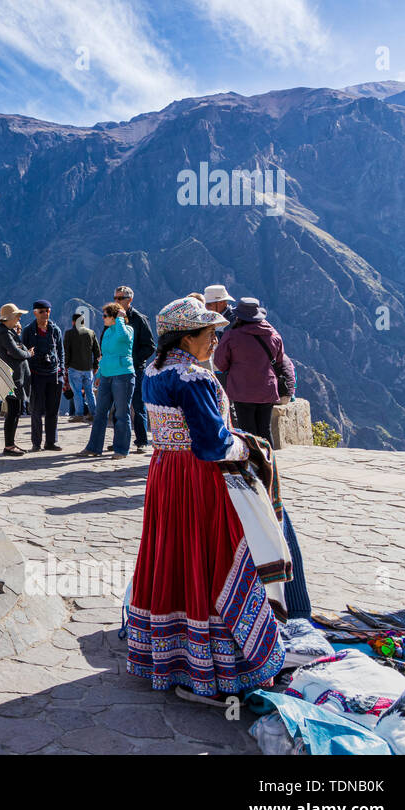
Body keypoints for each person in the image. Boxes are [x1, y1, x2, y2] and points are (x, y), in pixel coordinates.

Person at [126, 297, 306, 700]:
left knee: (171, 551)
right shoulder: (195, 379)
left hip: (166, 473)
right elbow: (212, 444)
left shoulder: (153, 371)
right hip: (198, 478)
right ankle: (219, 660)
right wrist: (249, 447)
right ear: (186, 337)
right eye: (208, 334)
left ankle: (170, 652)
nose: (215, 340)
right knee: (216, 553)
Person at [214, 297, 296, 442]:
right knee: (265, 429)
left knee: (247, 431)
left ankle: (253, 463)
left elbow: (220, 364)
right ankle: (269, 463)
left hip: (242, 390)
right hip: (267, 389)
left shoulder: (231, 336)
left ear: (239, 316)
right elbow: (278, 360)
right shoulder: (273, 335)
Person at [81, 303, 135, 459]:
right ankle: (94, 447)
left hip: (123, 375)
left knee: (122, 414)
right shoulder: (107, 332)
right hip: (107, 376)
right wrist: (99, 375)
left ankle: (121, 449)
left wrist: (120, 319)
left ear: (114, 317)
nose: (103, 318)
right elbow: (104, 355)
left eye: (105, 316)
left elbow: (124, 337)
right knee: (100, 413)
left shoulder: (127, 329)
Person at [113, 286, 157, 453]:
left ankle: (142, 440)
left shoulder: (139, 319)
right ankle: (120, 441)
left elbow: (150, 346)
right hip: (117, 369)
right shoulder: (114, 317)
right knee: (118, 406)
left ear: (129, 300)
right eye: (115, 298)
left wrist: (134, 360)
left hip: (135, 369)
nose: (116, 301)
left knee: (138, 405)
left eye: (120, 298)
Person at [21, 301, 64, 451]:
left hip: (54, 375)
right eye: (42, 311)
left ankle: (51, 442)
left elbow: (61, 351)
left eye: (48, 311)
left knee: (53, 410)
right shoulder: (28, 331)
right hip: (36, 375)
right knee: (36, 411)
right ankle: (36, 443)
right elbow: (23, 352)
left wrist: (62, 371)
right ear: (35, 313)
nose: (45, 314)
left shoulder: (55, 330)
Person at [0, 303, 31, 456]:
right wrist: (29, 354)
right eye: (17, 316)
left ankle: (11, 444)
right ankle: (9, 446)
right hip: (12, 378)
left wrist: (21, 345)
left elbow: (17, 349)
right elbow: (16, 352)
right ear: (9, 318)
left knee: (15, 412)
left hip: (16, 377)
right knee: (13, 412)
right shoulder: (4, 334)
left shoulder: (8, 332)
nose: (19, 319)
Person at [63, 311, 100, 423]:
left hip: (74, 368)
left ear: (73, 322)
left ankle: (79, 415)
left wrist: (66, 365)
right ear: (83, 322)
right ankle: (94, 414)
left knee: (77, 392)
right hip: (88, 368)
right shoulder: (91, 333)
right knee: (89, 391)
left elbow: (66, 351)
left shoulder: (69, 333)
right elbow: (97, 352)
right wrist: (95, 366)